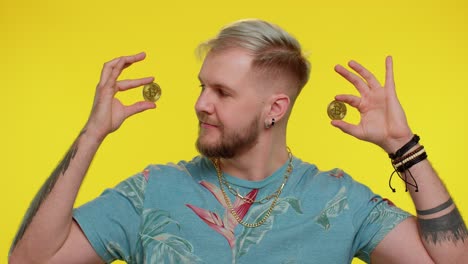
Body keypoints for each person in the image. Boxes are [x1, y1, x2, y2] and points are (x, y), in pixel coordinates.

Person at [9, 19, 468, 264]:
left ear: (275, 109)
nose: (201, 104)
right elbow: (30, 261)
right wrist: (91, 135)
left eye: (222, 93)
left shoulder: (338, 200)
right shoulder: (152, 191)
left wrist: (403, 145)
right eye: (202, 86)